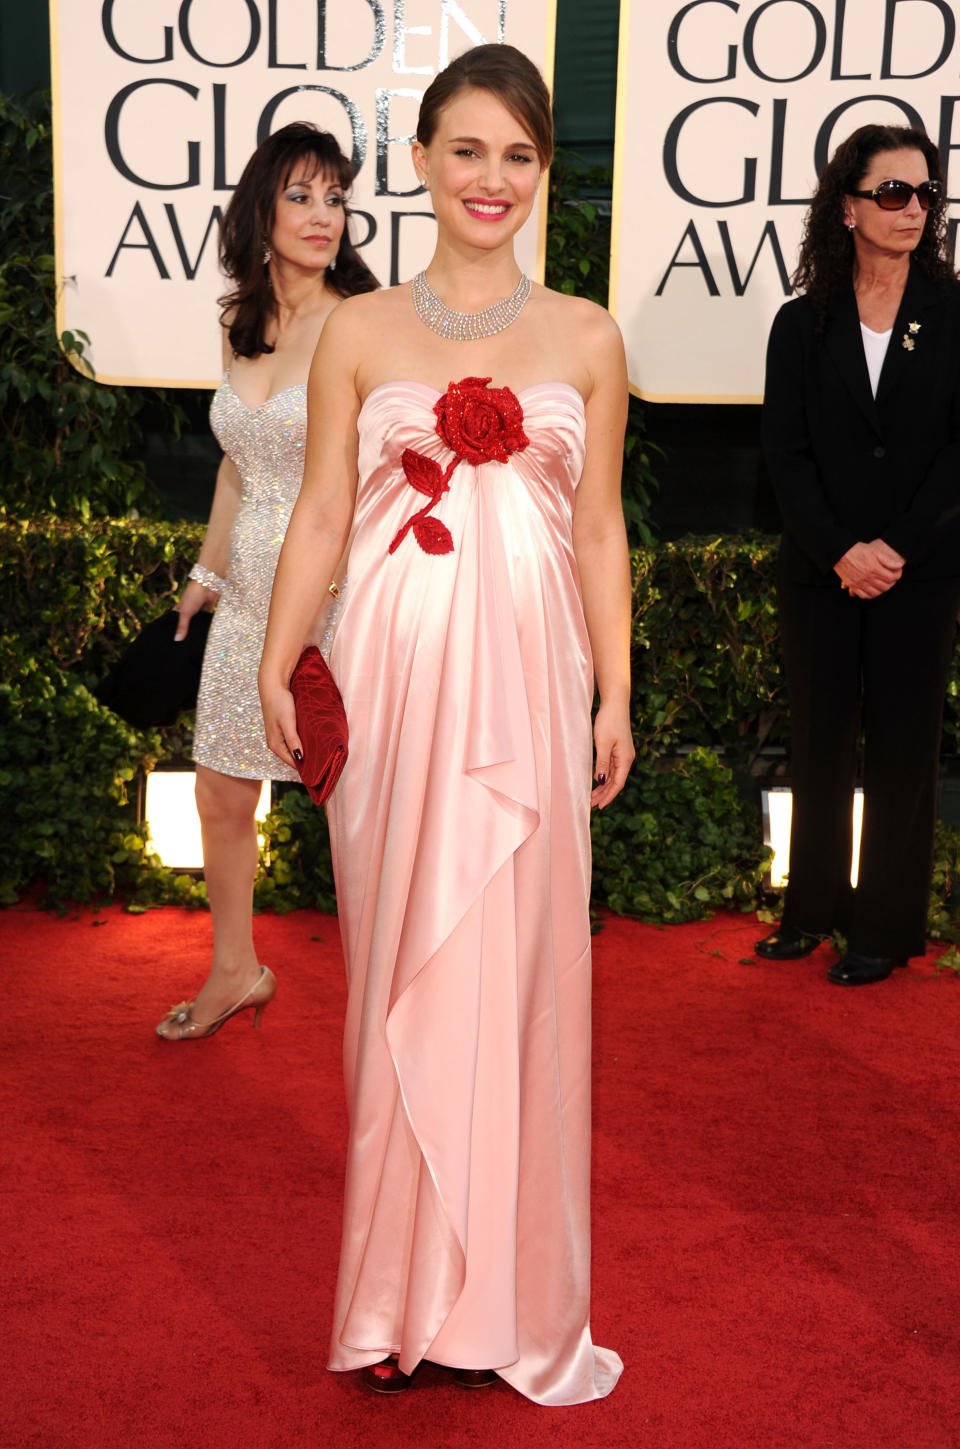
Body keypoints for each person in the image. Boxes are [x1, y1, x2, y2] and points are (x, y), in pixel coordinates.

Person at [258, 44, 633, 1404]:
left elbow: (597, 531)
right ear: (418, 158)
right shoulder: (357, 332)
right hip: (396, 693)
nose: (493, 179)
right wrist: (278, 658)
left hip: (529, 698)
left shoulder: (587, 335)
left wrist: (616, 687)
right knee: (398, 978)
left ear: (543, 174)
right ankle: (393, 1307)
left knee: (524, 983)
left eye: (520, 156)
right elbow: (315, 518)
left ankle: (500, 1307)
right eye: (468, 149)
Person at [156, 123, 378, 1040]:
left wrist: (336, 593)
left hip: (339, 593)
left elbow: (382, 470)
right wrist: (206, 573)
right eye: (301, 196)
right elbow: (238, 464)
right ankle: (236, 968)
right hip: (249, 593)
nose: (323, 215)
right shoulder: (238, 322)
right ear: (260, 209)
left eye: (336, 198)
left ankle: (403, 989)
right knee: (219, 789)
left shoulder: (362, 322)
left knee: (360, 805)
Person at [757, 123, 960, 985]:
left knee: (906, 745)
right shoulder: (801, 325)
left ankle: (882, 928)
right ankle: (809, 911)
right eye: (892, 193)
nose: (912, 208)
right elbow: (785, 456)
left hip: (921, 570)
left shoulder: (954, 314)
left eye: (925, 194)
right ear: (847, 207)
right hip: (822, 570)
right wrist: (842, 548)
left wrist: (895, 548)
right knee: (821, 742)